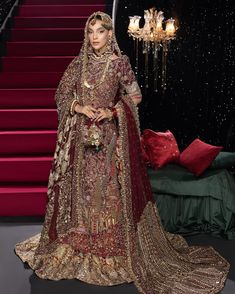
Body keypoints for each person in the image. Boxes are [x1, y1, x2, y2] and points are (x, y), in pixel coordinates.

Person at [15, 11, 229, 293]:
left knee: (108, 190)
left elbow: (135, 96)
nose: (94, 37)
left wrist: (111, 110)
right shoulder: (78, 64)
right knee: (82, 187)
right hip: (81, 137)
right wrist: (79, 108)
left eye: (100, 31)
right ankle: (84, 236)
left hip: (109, 139)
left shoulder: (119, 64)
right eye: (90, 31)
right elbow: (61, 94)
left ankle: (109, 240)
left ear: (109, 34)